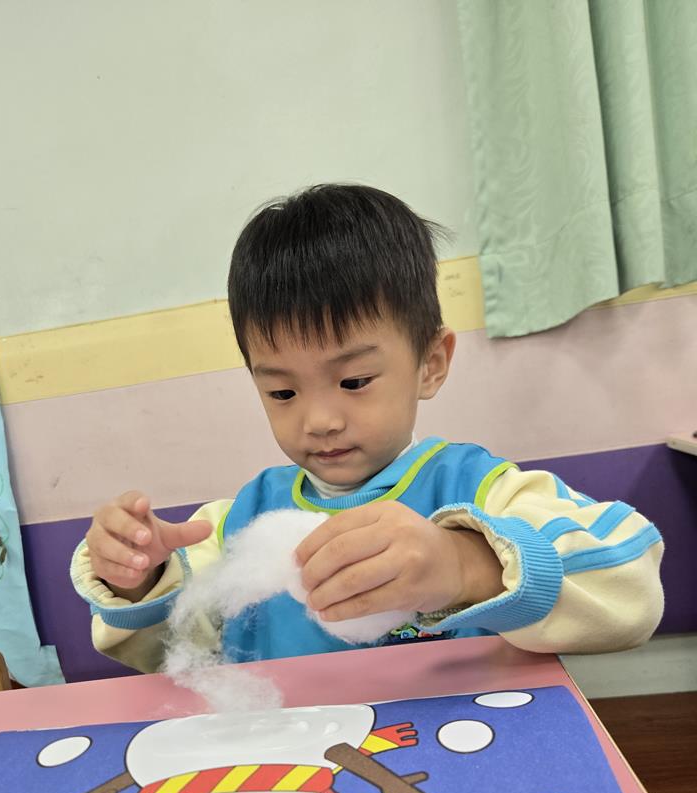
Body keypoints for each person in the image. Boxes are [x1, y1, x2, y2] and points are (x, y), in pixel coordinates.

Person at [71, 184, 664, 669]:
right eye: (282, 392)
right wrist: (138, 581)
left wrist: (465, 566)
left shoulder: (482, 491)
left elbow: (630, 592)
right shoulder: (239, 523)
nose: (320, 420)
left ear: (430, 364)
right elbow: (173, 655)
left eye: (354, 381)